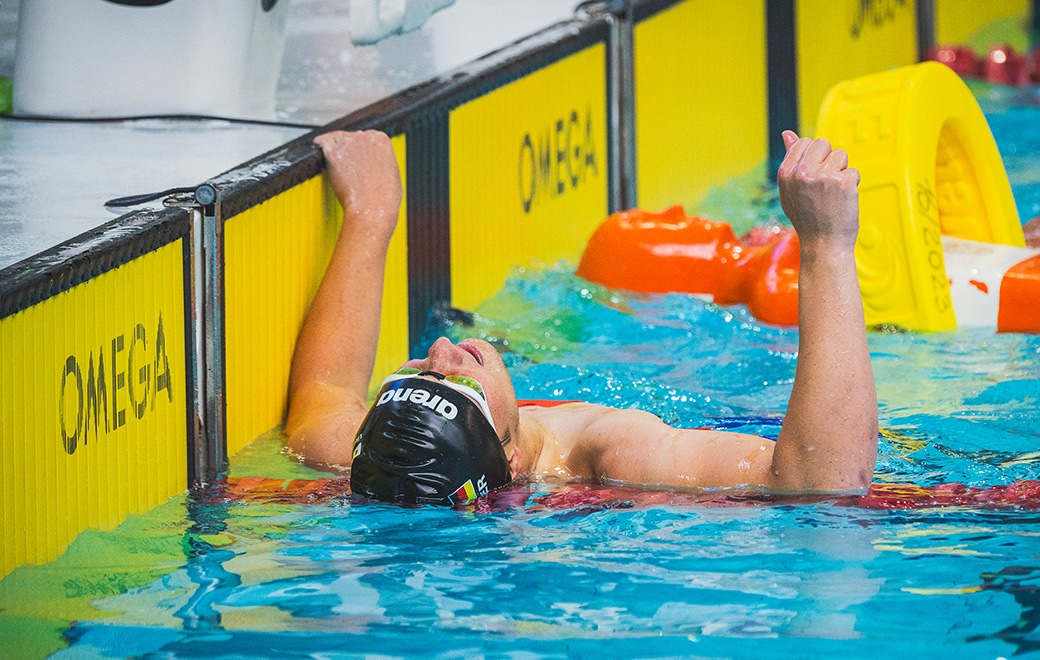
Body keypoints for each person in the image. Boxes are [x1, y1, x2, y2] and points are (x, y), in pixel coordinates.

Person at [285, 129, 879, 505]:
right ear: (511, 461)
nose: (441, 350)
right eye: (456, 383)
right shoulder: (607, 453)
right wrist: (826, 243)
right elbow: (819, 484)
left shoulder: (382, 457)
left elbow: (323, 392)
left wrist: (371, 214)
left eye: (416, 373)